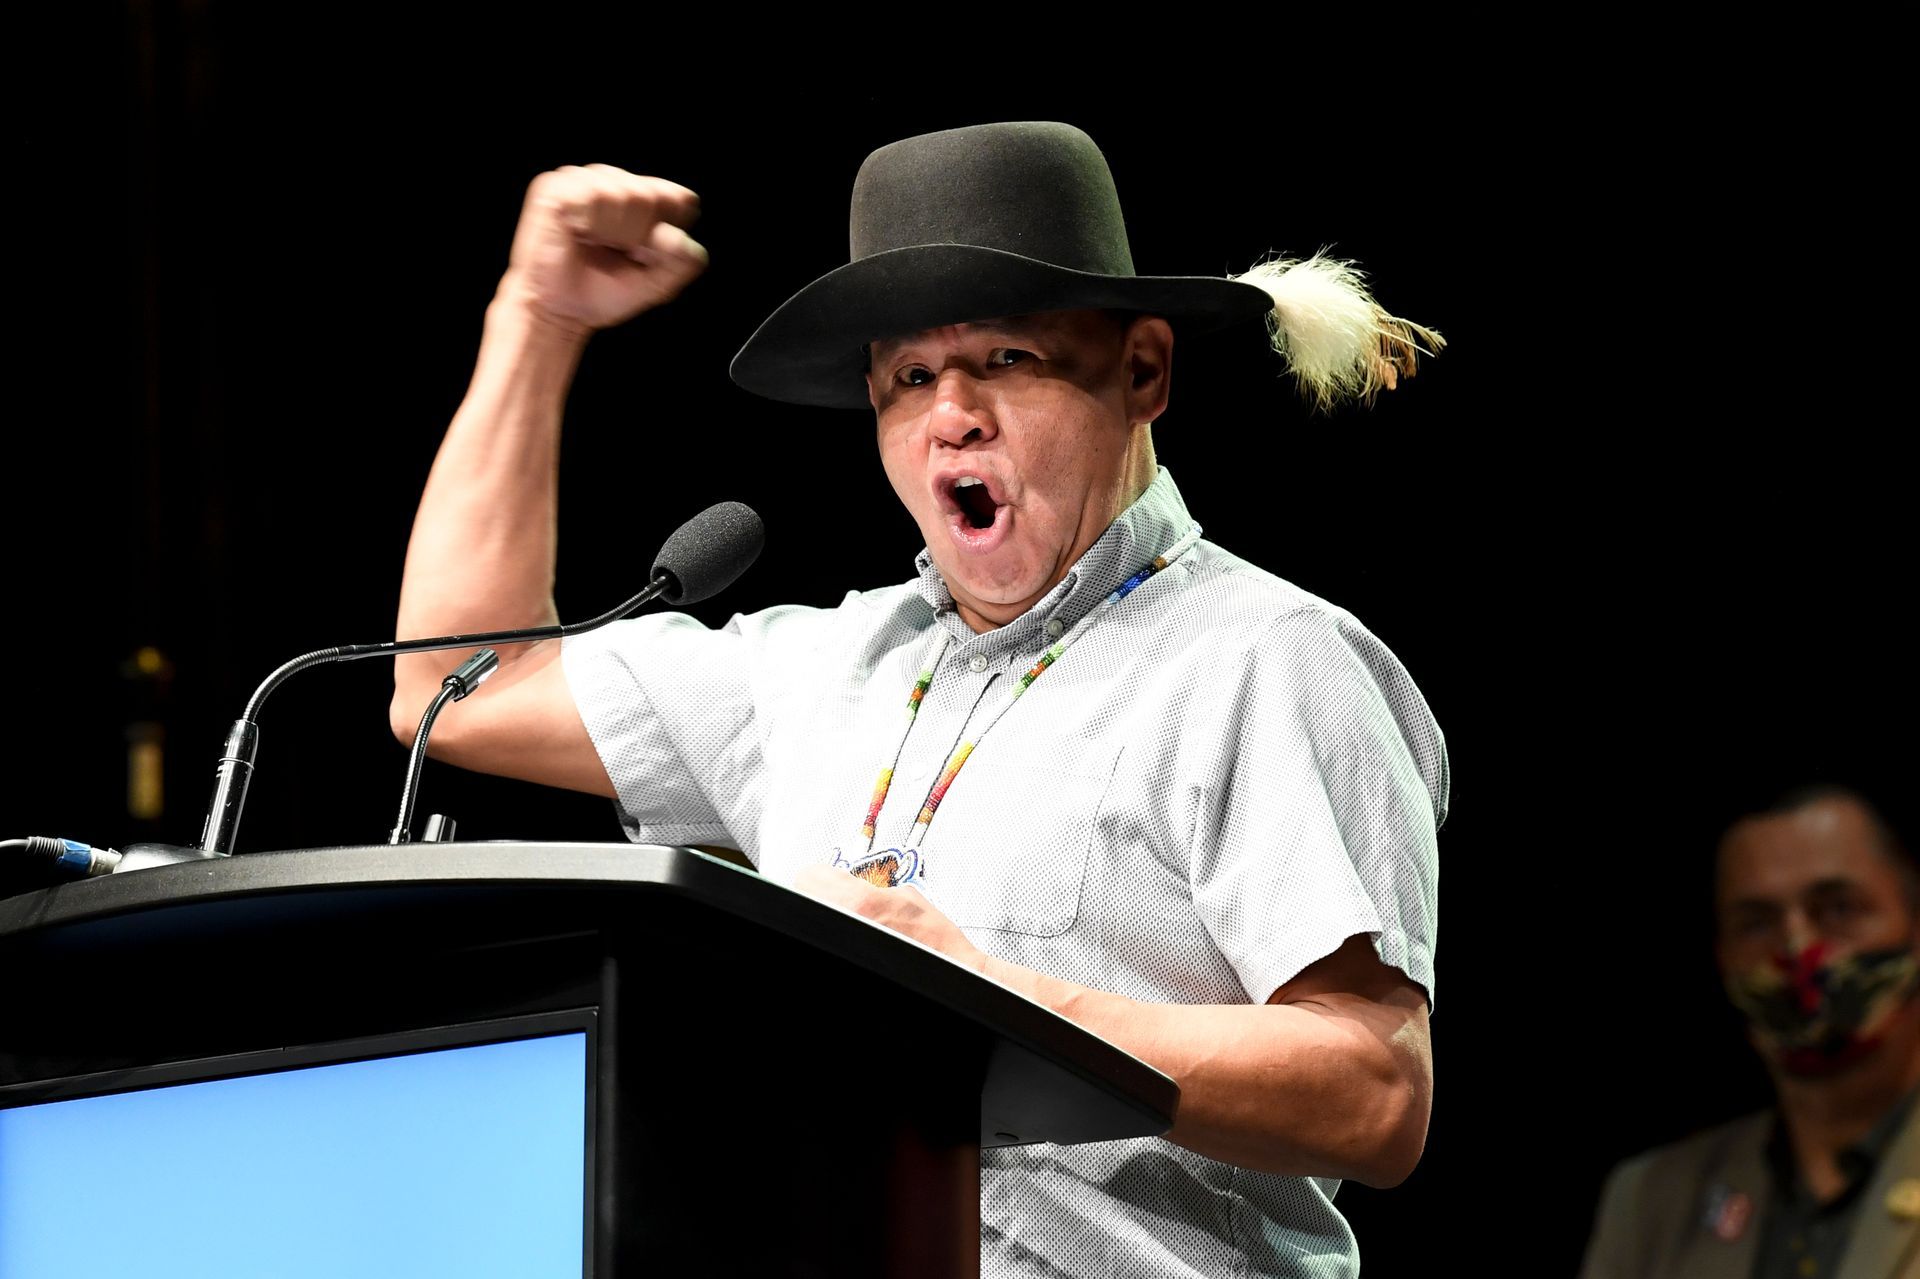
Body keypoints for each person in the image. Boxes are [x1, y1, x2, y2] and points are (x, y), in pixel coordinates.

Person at [391, 121, 1448, 1278]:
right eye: (910, 378)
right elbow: (456, 687)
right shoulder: (822, 671)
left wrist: (987, 1010)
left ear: (1144, 370)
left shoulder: (1262, 658)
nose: (955, 413)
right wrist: (534, 323)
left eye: (1006, 359)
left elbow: (1373, 1094)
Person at [1579, 785, 1920, 1279]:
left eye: (1839, 909)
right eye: (1757, 923)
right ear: (1723, 958)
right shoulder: (1652, 1202)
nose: (1797, 948)